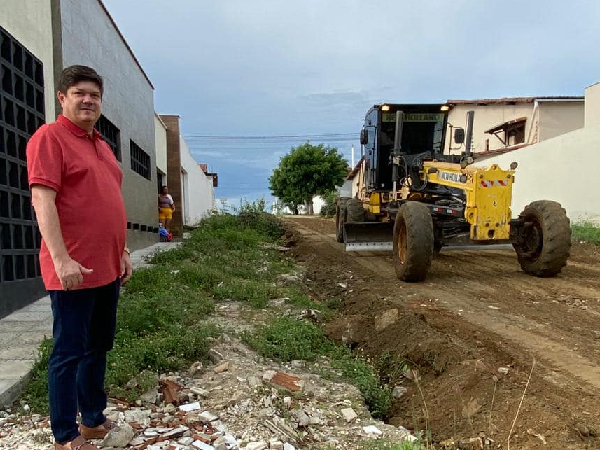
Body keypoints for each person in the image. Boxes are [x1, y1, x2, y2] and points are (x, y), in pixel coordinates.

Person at [26, 65, 132, 450]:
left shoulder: (100, 144)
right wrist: (61, 259)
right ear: (62, 98)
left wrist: (120, 250)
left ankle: (91, 419)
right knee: (68, 352)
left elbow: (108, 204)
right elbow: (43, 201)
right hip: (72, 270)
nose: (88, 100)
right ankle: (65, 436)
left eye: (94, 95)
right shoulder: (49, 139)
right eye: (79, 93)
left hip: (106, 268)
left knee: (99, 344)